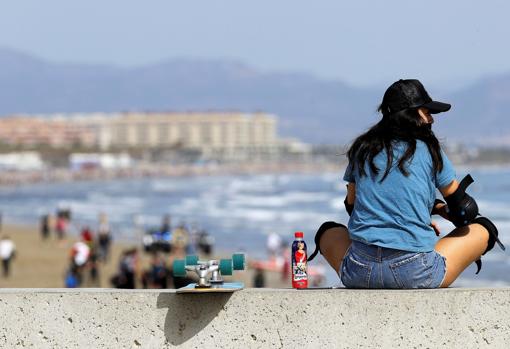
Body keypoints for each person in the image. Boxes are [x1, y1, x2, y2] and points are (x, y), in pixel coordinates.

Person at [309, 79, 504, 289]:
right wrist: (439, 212)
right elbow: (465, 210)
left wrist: (431, 210)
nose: (432, 120)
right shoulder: (430, 149)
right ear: (412, 114)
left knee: (328, 231)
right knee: (484, 229)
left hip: (360, 270)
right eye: (427, 112)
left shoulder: (362, 148)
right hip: (415, 272)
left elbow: (352, 206)